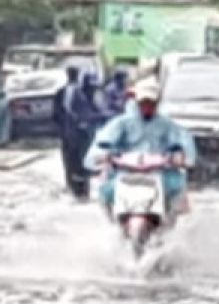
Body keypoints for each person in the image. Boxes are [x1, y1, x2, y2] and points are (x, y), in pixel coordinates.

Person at [86, 77, 196, 217]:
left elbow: (185, 144)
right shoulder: (121, 124)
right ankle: (113, 221)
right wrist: (102, 155)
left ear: (157, 103)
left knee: (177, 189)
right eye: (143, 102)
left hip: (159, 173)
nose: (147, 106)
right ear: (137, 101)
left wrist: (182, 158)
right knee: (105, 190)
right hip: (125, 172)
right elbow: (100, 144)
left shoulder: (168, 126)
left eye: (151, 103)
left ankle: (169, 224)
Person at [64, 70, 109, 201]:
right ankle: (78, 191)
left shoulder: (91, 96)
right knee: (77, 163)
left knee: (86, 163)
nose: (92, 89)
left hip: (87, 134)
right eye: (90, 86)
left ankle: (84, 191)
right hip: (76, 134)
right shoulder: (76, 94)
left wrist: (103, 115)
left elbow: (97, 110)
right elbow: (73, 112)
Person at [54, 64, 82, 195]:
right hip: (73, 132)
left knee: (69, 159)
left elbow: (55, 115)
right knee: (74, 159)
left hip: (67, 132)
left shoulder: (60, 92)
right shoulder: (79, 92)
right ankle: (74, 186)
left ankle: (71, 184)